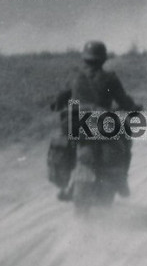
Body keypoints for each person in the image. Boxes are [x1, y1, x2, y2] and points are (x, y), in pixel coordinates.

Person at [50, 40, 141, 197]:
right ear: (104, 59)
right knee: (126, 137)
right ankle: (122, 181)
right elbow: (123, 101)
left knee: (69, 142)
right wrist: (133, 109)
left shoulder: (74, 77)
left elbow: (59, 99)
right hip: (101, 123)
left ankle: (66, 183)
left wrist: (56, 104)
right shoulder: (110, 78)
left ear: (84, 58)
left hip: (76, 123)